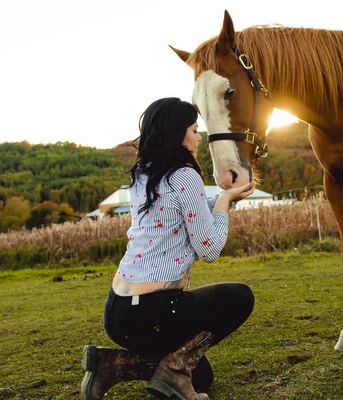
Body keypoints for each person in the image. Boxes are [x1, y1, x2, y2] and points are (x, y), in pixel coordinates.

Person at [80, 97, 256, 400]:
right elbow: (209, 249)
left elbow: (184, 210)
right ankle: (174, 372)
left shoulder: (144, 174)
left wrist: (226, 199)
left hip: (118, 313)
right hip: (155, 312)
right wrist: (225, 203)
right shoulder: (184, 175)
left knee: (202, 377)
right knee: (240, 297)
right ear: (178, 134)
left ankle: (110, 364)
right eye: (194, 130)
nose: (199, 137)